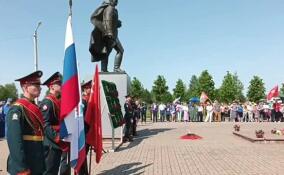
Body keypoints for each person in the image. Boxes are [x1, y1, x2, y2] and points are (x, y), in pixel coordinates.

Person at [6, 70, 45, 174]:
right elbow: (14, 141)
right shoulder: (17, 109)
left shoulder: (34, 107)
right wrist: (21, 168)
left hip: (36, 162)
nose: (40, 87)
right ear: (25, 87)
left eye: (39, 84)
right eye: (36, 84)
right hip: (25, 164)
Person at [89, 0, 124, 72]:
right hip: (110, 34)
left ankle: (103, 69)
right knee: (120, 50)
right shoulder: (110, 8)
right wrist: (109, 32)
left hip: (109, 33)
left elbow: (109, 20)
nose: (117, 1)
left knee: (106, 52)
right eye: (115, 0)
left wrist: (117, 23)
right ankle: (116, 68)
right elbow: (107, 20)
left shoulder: (112, 9)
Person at [40, 72, 64, 175]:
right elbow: (45, 124)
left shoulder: (55, 101)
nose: (61, 85)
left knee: (54, 170)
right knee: (49, 171)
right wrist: (57, 137)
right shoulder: (47, 102)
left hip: (55, 143)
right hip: (51, 143)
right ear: (52, 87)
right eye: (58, 84)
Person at [79, 80, 93, 175]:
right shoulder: (83, 101)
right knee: (82, 156)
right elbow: (82, 119)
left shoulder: (89, 100)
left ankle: (85, 173)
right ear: (85, 89)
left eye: (91, 87)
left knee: (84, 155)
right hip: (83, 133)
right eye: (89, 88)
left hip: (87, 132)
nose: (91, 89)